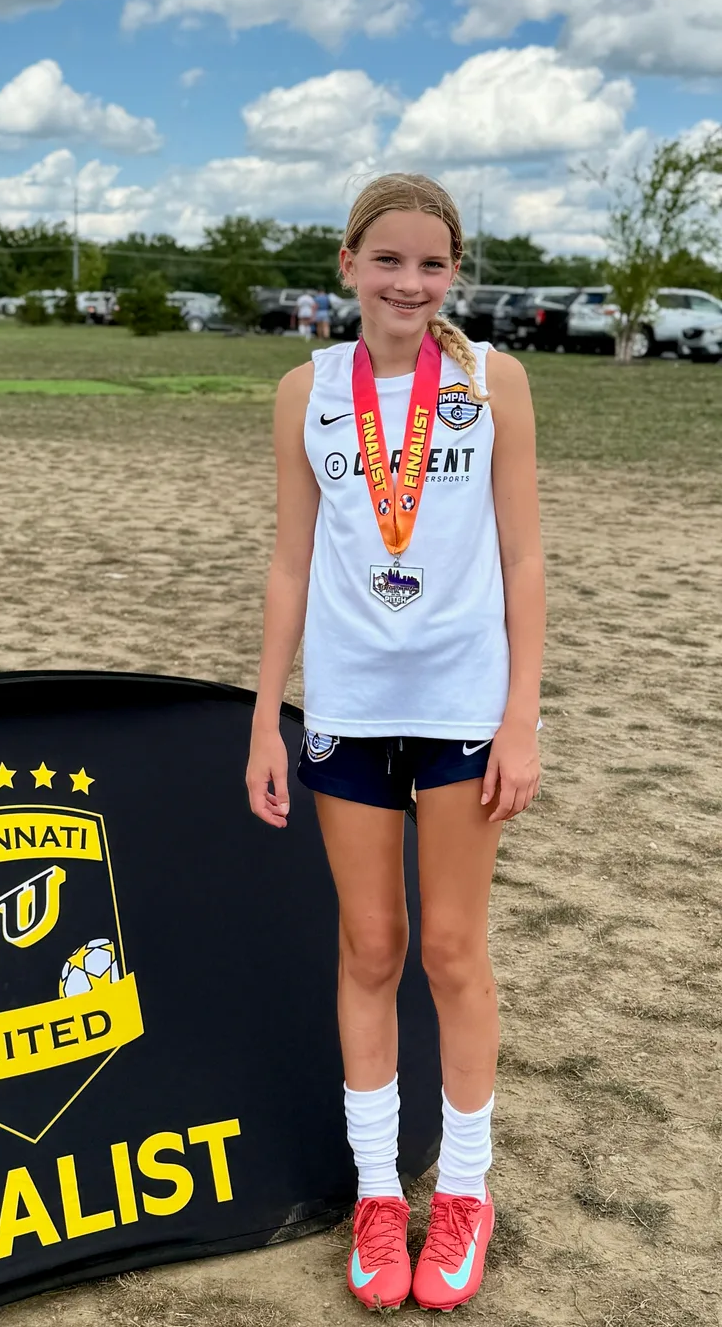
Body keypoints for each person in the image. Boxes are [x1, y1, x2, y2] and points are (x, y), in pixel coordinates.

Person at [246, 173, 544, 1313]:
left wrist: (520, 717)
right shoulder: (306, 391)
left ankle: (462, 1189)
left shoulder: (492, 381)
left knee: (452, 952)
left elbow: (522, 556)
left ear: (453, 273)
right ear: (348, 265)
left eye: (431, 264)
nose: (409, 283)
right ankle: (380, 1192)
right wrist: (266, 715)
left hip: (464, 710)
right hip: (349, 710)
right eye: (388, 260)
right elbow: (289, 562)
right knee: (370, 947)